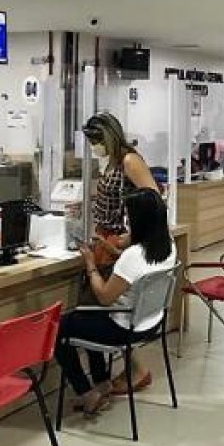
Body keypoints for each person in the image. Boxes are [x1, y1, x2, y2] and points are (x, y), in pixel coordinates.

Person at [54, 188, 177, 416]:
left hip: (125, 329)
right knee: (86, 318)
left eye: (129, 217)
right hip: (152, 322)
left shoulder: (133, 255)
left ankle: (85, 391)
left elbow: (104, 296)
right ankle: (102, 384)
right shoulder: (168, 245)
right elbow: (140, 268)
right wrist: (113, 251)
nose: (126, 223)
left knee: (58, 328)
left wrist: (90, 263)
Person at [81, 111, 159, 394]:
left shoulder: (129, 161)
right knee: (100, 307)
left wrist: (126, 241)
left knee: (100, 305)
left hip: (115, 240)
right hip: (104, 237)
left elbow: (152, 201)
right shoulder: (112, 162)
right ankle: (112, 375)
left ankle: (114, 377)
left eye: (96, 141)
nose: (94, 147)